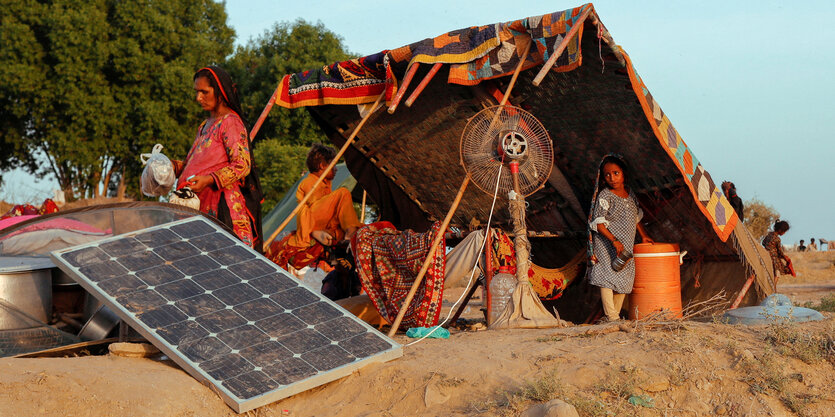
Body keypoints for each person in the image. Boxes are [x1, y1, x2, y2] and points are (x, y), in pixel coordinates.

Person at [172, 66, 263, 249]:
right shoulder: (205, 125)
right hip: (200, 208)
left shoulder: (230, 122)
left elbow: (241, 165)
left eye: (204, 92)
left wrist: (208, 180)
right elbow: (196, 164)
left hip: (223, 211)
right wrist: (170, 167)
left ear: (220, 91)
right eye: (197, 92)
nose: (199, 98)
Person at [587, 154, 653, 322]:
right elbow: (599, 223)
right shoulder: (605, 195)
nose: (612, 178)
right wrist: (614, 241)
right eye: (607, 175)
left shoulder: (630, 195)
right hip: (606, 242)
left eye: (616, 173)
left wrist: (644, 236)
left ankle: (611, 319)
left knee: (624, 277)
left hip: (625, 244)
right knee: (606, 276)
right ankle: (613, 317)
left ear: (623, 173)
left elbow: (635, 218)